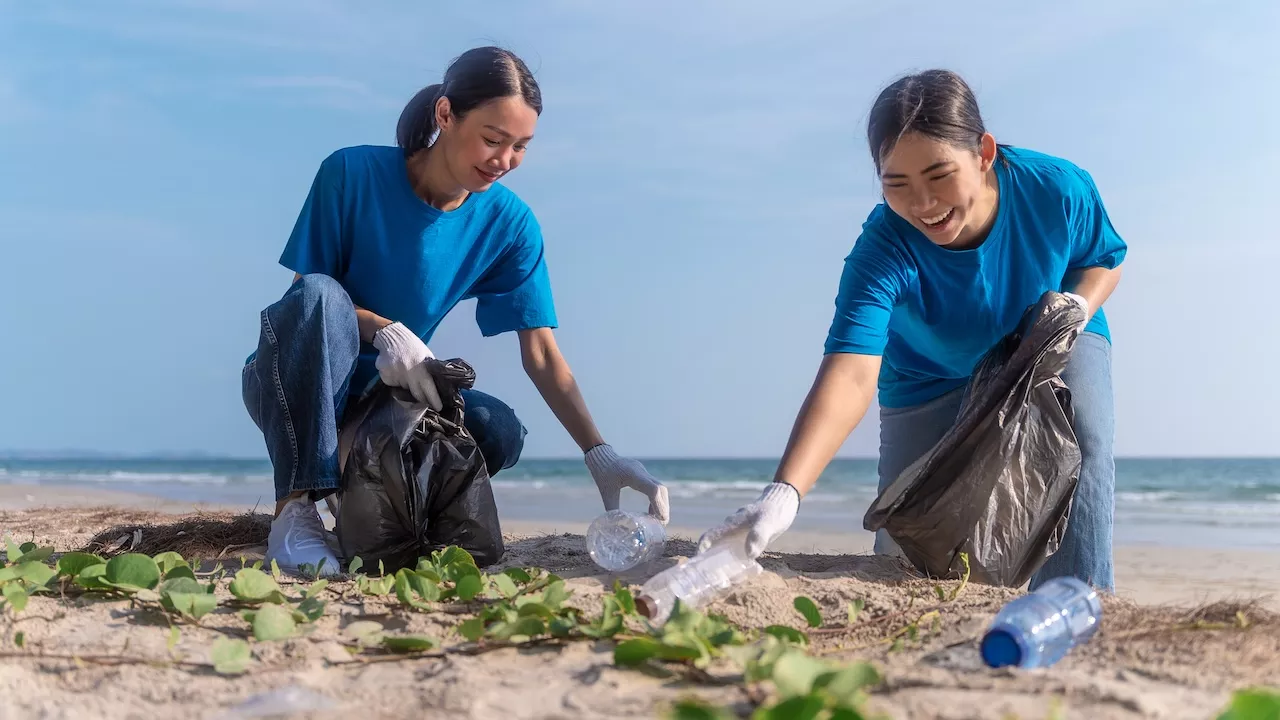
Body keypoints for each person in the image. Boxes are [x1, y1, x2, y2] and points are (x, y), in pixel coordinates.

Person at [242, 46, 670, 576]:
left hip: (390, 399)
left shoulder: (510, 224)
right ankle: (295, 511)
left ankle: (366, 492)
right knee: (322, 295)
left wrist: (599, 454)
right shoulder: (350, 172)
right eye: (493, 139)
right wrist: (387, 334)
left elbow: (540, 352)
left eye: (521, 147)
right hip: (296, 384)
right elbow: (306, 301)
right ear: (445, 115)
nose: (505, 161)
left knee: (497, 428)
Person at [698, 69, 1126, 591]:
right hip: (929, 375)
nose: (922, 203)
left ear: (984, 152)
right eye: (896, 183)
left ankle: (1076, 599)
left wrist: (1078, 306)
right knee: (912, 543)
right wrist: (784, 493)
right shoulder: (881, 251)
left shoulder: (1055, 188)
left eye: (939, 175)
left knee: (1083, 435)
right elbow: (852, 375)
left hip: (1045, 337)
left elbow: (1103, 258)